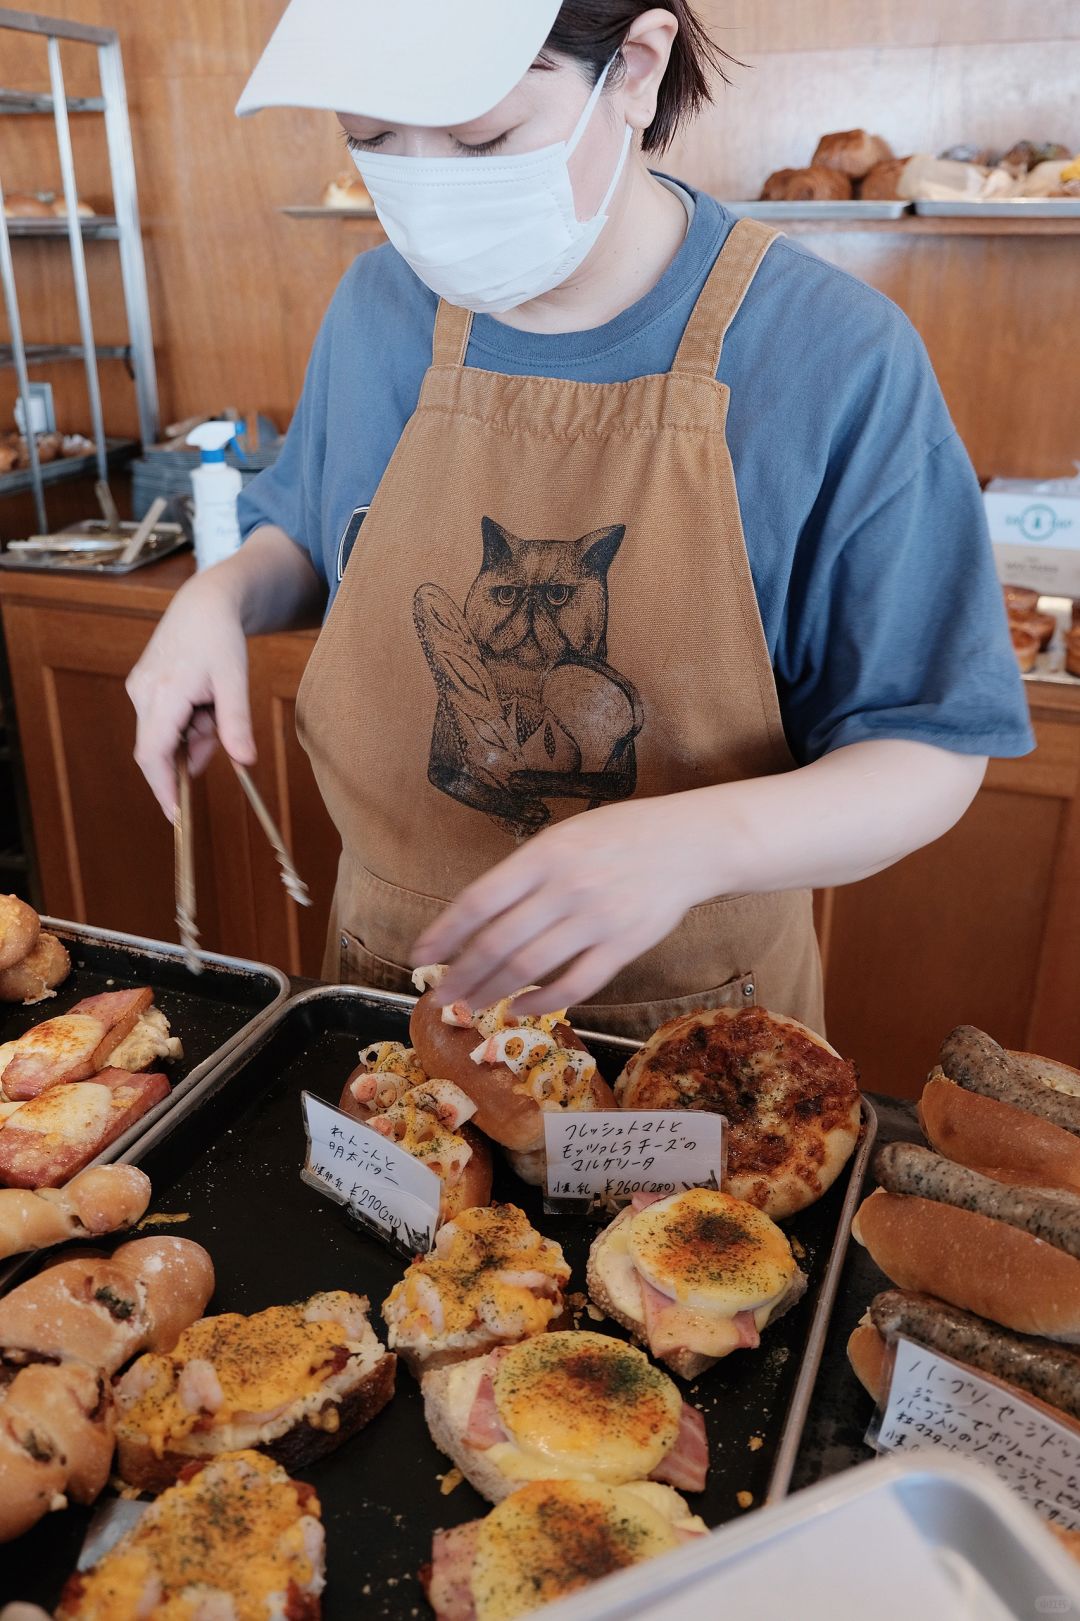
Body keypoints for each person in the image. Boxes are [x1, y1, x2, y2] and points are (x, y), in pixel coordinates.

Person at [126, 0, 1032, 1039]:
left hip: (704, 1042)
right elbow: (314, 536)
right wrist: (220, 595)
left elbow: (928, 745)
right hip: (388, 1003)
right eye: (374, 142)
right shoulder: (378, 307)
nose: (431, 192)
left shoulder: (832, 355)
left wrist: (699, 842)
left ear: (638, 70)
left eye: (484, 139)